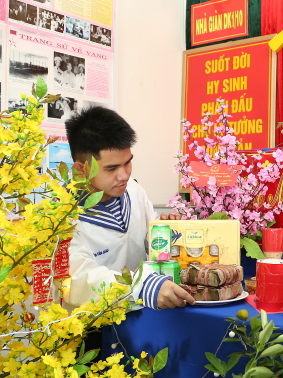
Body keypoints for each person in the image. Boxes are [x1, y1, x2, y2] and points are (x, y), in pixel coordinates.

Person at [63, 106, 195, 311]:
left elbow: (150, 240)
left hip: (141, 319)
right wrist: (140, 287)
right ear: (81, 169)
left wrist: (169, 233)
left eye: (127, 163)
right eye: (111, 168)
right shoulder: (60, 217)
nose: (123, 175)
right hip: (91, 329)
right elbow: (80, 276)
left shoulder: (133, 190)